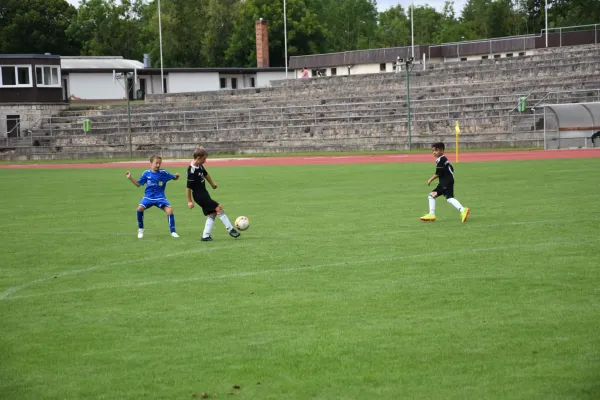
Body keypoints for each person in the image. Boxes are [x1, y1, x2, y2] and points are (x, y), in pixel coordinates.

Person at [186, 147, 240, 241]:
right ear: (198, 158)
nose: (205, 161)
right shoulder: (192, 170)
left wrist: (212, 184)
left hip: (204, 193)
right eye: (204, 159)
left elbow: (206, 174)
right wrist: (189, 201)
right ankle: (231, 229)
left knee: (213, 213)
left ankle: (205, 236)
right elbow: (188, 188)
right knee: (218, 208)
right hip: (199, 196)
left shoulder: (199, 165)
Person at [125, 155, 180, 239]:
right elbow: (138, 184)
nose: (158, 165)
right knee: (139, 208)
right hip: (148, 197)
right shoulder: (146, 173)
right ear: (151, 164)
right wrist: (130, 178)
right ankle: (140, 229)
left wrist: (176, 176)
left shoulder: (163, 173)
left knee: (169, 210)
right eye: (156, 163)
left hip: (160, 197)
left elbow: (174, 177)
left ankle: (173, 232)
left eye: (159, 163)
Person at [420, 142, 470, 223]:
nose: (434, 152)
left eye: (436, 150)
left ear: (442, 151)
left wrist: (430, 179)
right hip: (445, 182)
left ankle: (463, 210)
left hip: (446, 182)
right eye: (433, 151)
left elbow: (438, 173)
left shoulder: (441, 160)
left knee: (449, 198)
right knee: (431, 196)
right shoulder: (443, 159)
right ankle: (431, 214)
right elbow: (450, 168)